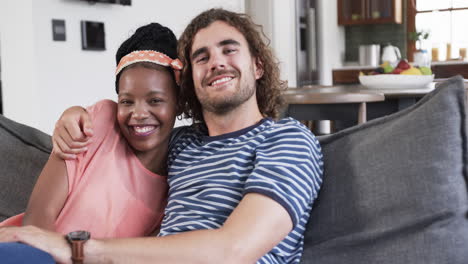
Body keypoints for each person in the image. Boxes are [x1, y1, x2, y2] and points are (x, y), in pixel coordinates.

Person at [0, 8, 323, 264]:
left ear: (257, 66)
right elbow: (125, 136)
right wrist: (73, 115)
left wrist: (77, 249)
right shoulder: (181, 144)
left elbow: (234, 250)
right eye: (202, 57)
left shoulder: (287, 140)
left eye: (229, 49)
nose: (217, 63)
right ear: (189, 80)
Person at [0, 22, 181, 238]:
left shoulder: (179, 176)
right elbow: (38, 218)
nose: (139, 113)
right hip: (26, 250)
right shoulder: (98, 123)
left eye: (155, 100)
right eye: (127, 101)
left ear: (178, 103)